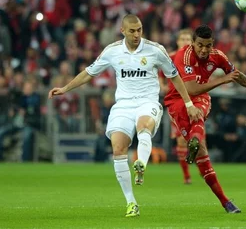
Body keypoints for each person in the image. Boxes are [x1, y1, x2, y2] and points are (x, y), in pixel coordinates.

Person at [48, 14, 202, 217]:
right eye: (132, 30)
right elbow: (89, 72)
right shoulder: (112, 51)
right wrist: (65, 88)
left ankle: (141, 164)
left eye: (139, 30)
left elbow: (174, 76)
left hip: (147, 102)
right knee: (118, 147)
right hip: (123, 105)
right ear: (123, 31)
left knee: (144, 126)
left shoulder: (155, 50)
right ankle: (131, 203)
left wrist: (189, 103)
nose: (137, 34)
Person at [164, 25, 246, 213]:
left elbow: (236, 75)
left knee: (199, 120)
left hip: (200, 99)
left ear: (212, 44)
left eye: (207, 46)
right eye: (200, 45)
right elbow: (191, 89)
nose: (203, 50)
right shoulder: (183, 55)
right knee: (202, 154)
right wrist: (221, 80)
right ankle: (196, 145)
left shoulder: (218, 56)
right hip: (178, 100)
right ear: (193, 43)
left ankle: (226, 202)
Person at [162, 29, 193, 184]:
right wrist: (162, 87)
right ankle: (186, 175)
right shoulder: (170, 58)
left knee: (198, 139)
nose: (186, 41)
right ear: (178, 41)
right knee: (181, 140)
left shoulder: (196, 58)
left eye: (189, 38)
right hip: (176, 103)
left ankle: (204, 168)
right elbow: (160, 77)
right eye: (183, 38)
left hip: (195, 101)